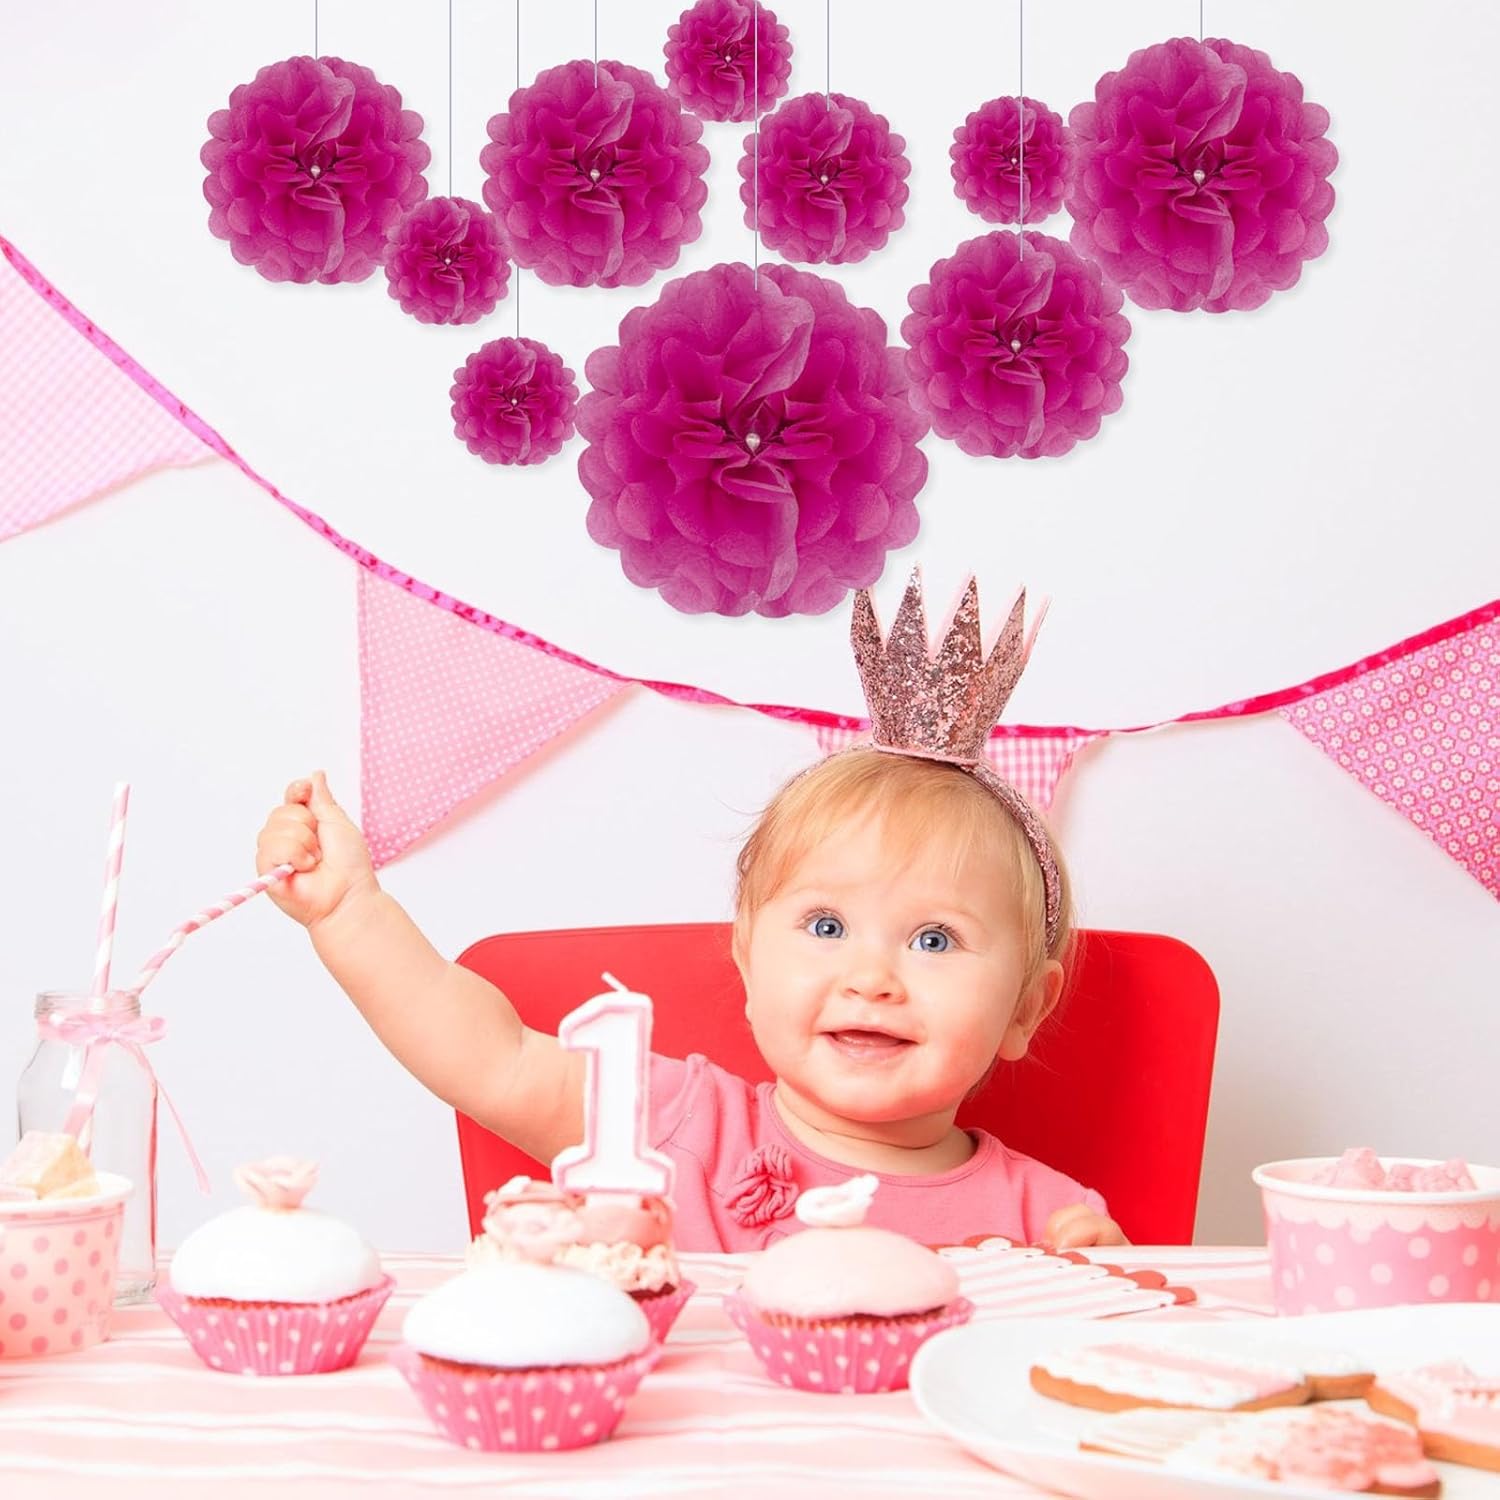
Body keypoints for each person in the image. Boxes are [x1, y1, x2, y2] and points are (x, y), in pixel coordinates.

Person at [255, 574, 1125, 1252]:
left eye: (935, 939)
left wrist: (1102, 1291)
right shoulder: (673, 1123)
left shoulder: (1051, 1221)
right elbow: (491, 1058)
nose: (872, 979)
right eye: (827, 927)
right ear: (747, 955)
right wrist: (348, 911)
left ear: (1025, 1007)